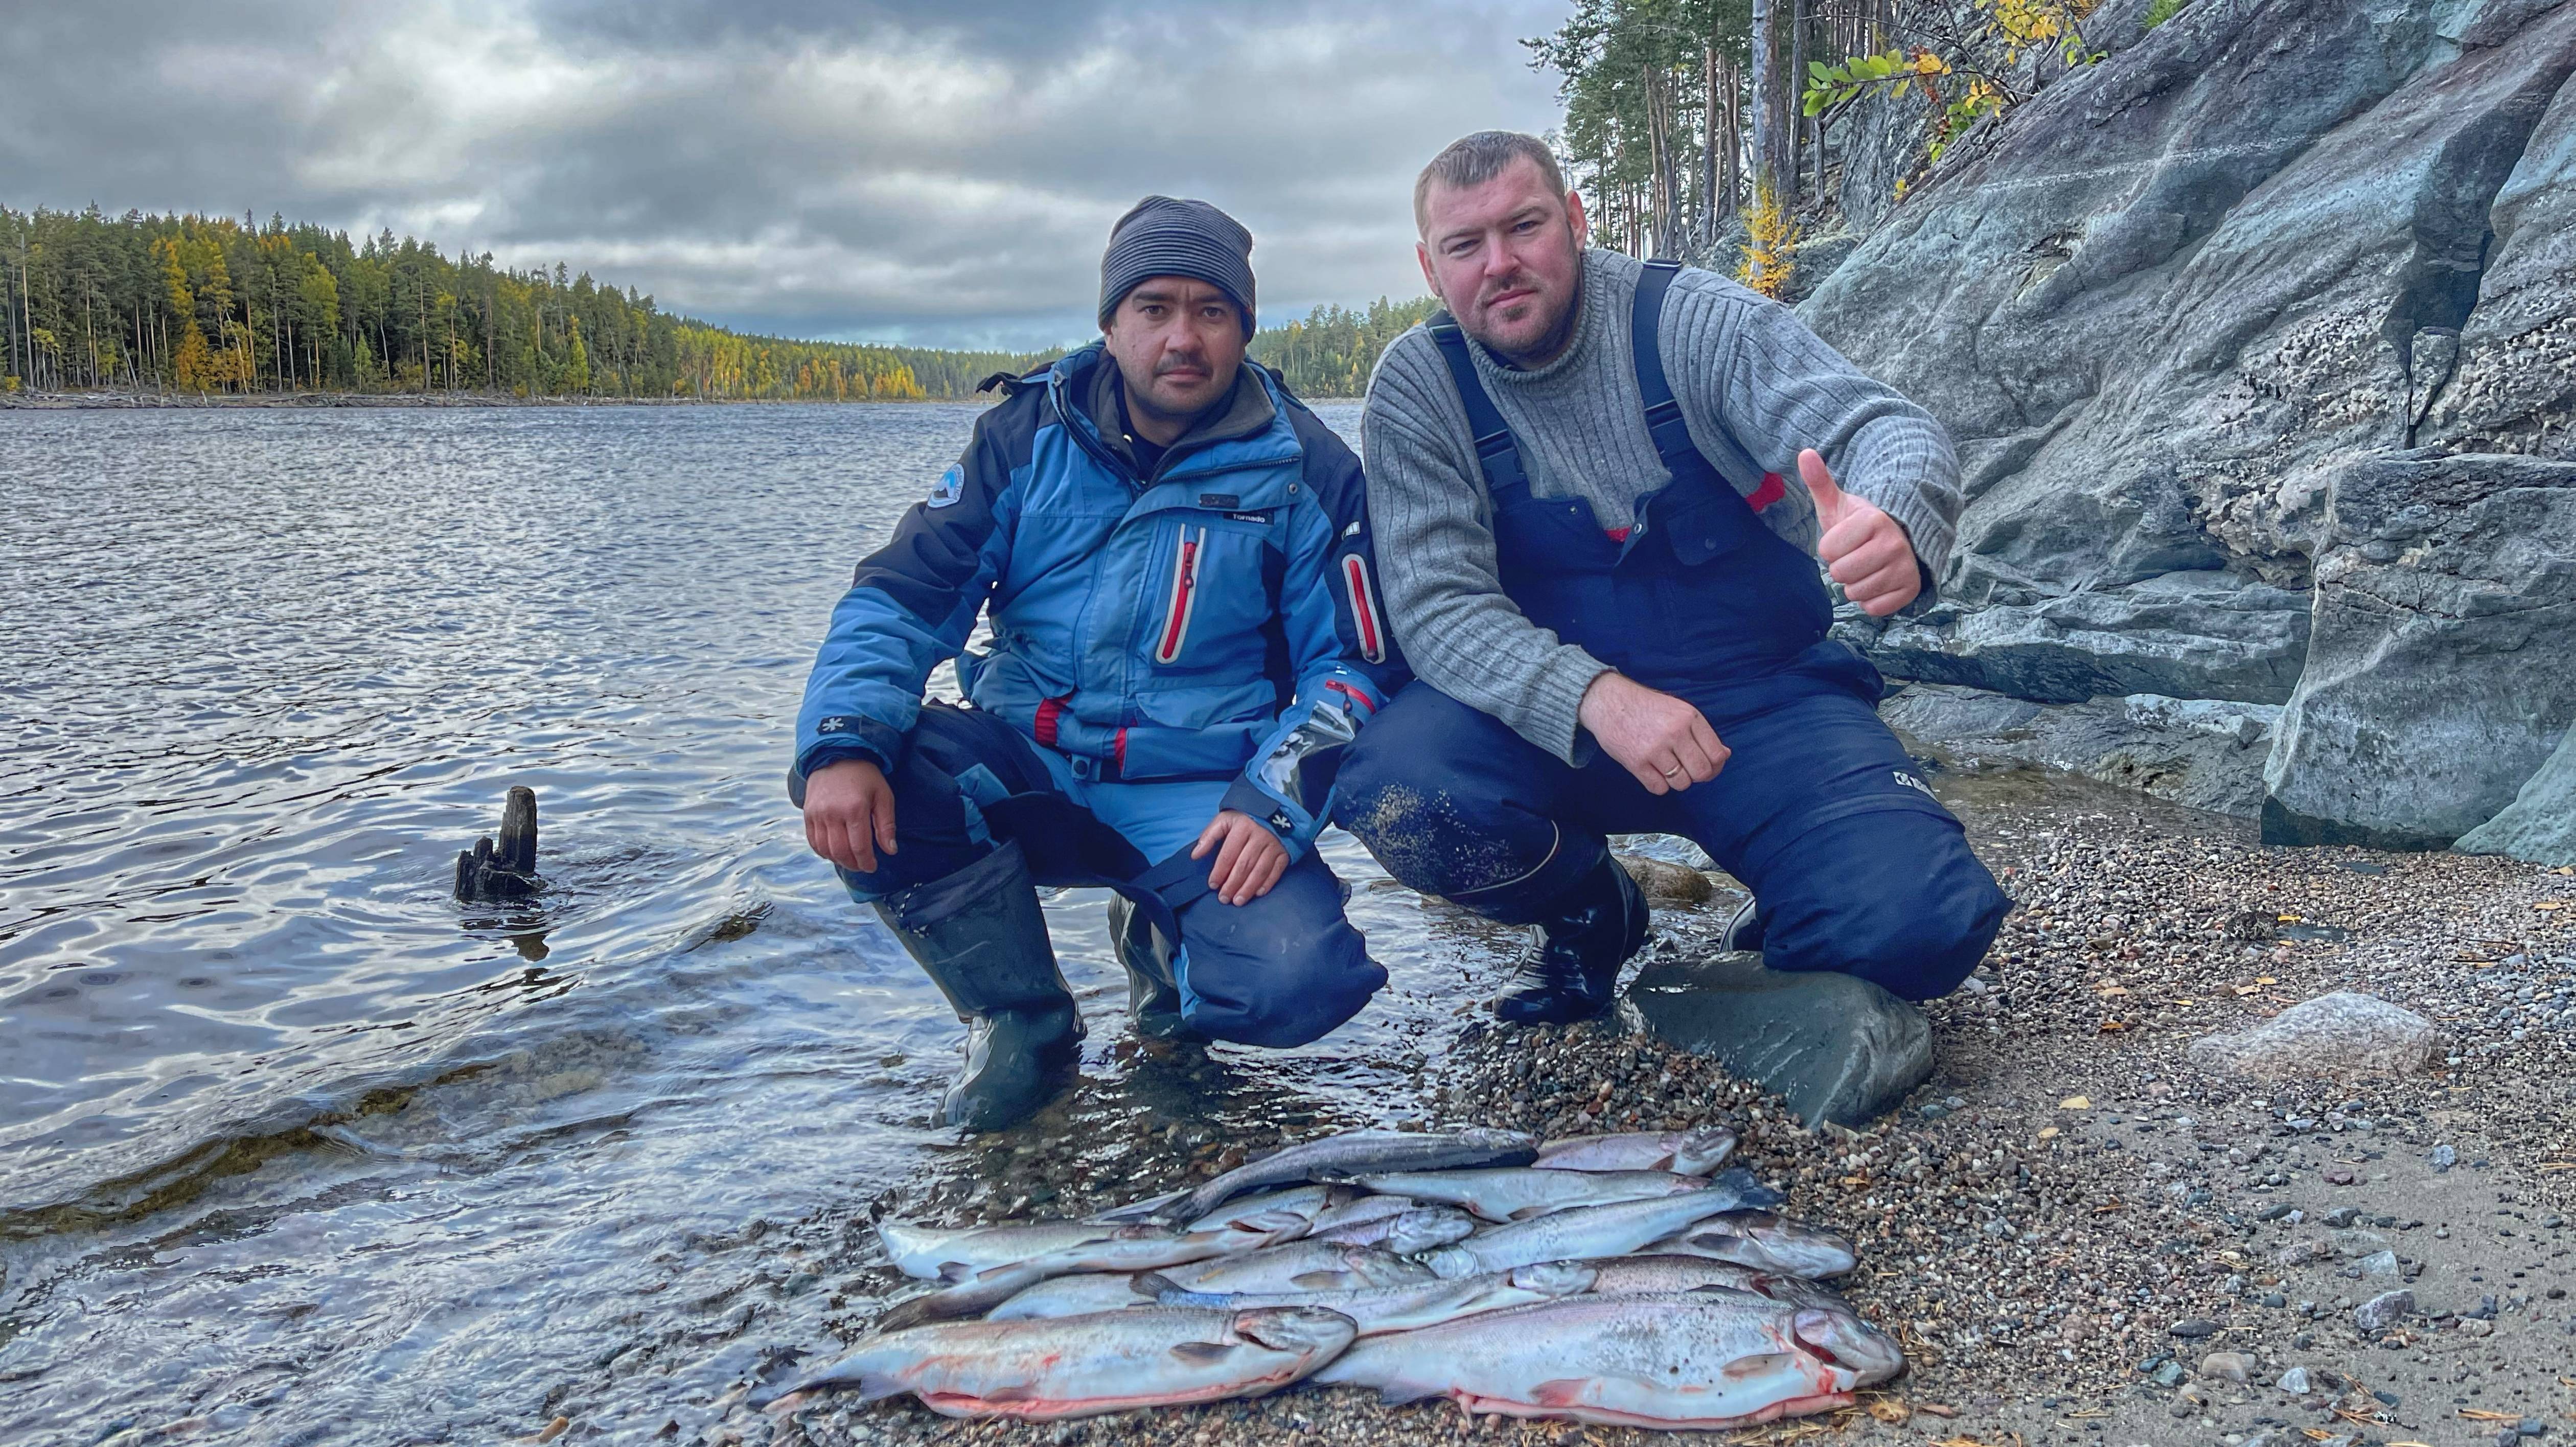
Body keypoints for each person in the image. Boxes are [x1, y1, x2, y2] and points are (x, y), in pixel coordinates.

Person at [1335, 130, 2009, 1028]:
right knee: (1400, 790)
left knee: (1920, 924)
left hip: (1763, 706)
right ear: (1431, 267)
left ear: (1575, 221)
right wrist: (1598, 697)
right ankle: (1588, 911)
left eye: (1525, 226)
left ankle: (1786, 912)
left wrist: (1893, 517)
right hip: (1556, 730)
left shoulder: (1696, 322)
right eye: (1466, 246)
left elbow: (1884, 427)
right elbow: (1436, 607)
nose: (1500, 264)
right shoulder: (1421, 386)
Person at [792, 196, 1400, 1132]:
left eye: (1212, 311)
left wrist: (1276, 803)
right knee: (875, 775)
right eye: (1154, 308)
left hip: (1198, 791)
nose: (1183, 337)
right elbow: (901, 598)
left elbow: (1355, 667)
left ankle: (1165, 987)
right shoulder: (1025, 436)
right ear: (1111, 324)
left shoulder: (1307, 470)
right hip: (1028, 764)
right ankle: (1020, 1023)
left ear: (1245, 327)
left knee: (1299, 982)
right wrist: (840, 741)